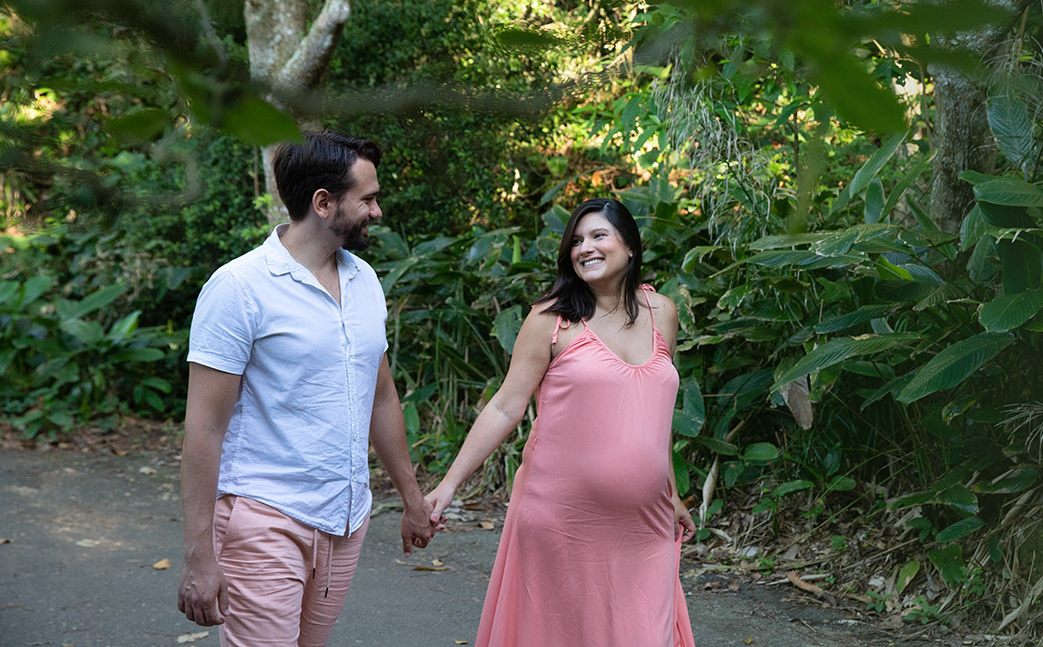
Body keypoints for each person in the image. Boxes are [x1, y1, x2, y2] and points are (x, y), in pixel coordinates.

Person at [177, 130, 435, 647]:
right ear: (323, 203)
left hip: (345, 519)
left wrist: (412, 499)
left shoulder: (364, 280)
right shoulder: (238, 288)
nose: (377, 211)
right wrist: (200, 555)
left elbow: (380, 396)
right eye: (367, 198)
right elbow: (204, 427)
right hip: (264, 518)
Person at [426, 197, 697, 647]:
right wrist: (449, 484)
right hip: (563, 521)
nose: (584, 248)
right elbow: (504, 406)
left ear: (630, 246)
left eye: (597, 236)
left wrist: (670, 493)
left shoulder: (662, 312)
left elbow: (654, 417)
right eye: (575, 240)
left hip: (642, 523)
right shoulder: (552, 320)